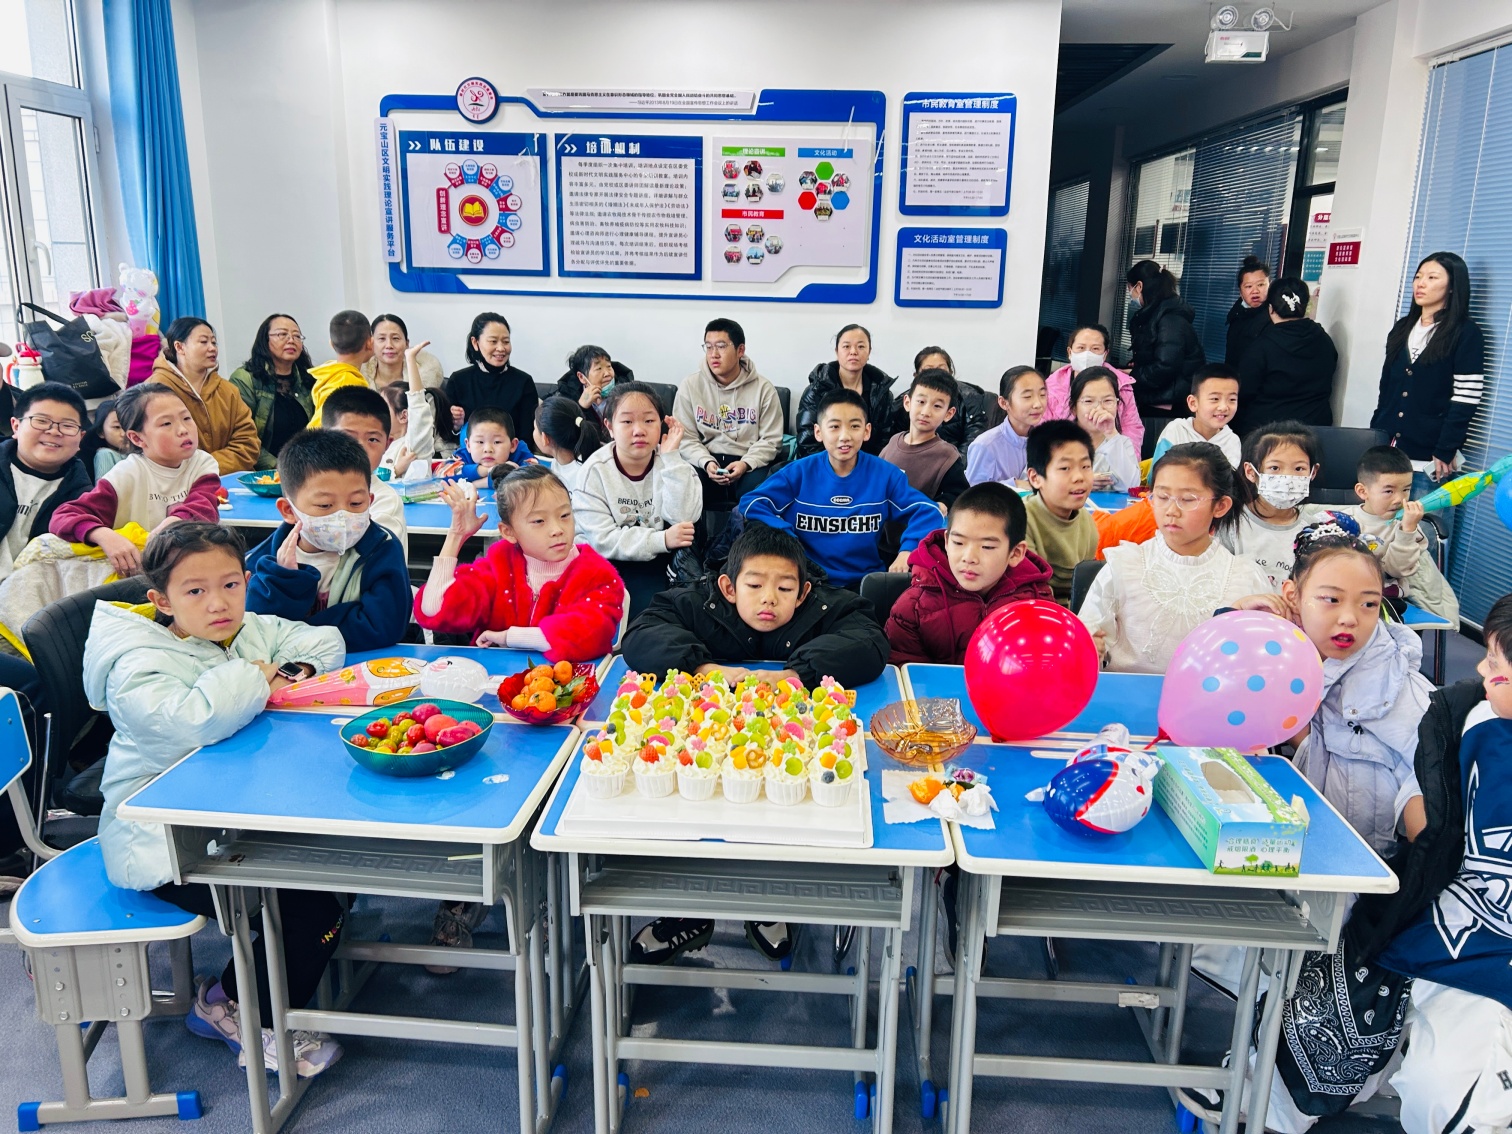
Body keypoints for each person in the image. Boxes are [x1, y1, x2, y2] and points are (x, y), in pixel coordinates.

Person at [83, 522, 346, 1076]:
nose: (218, 603)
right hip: (161, 846)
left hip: (234, 815)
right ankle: (237, 1010)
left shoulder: (243, 630)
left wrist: (288, 671)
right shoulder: (136, 663)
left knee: (337, 868)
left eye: (230, 585)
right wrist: (255, 677)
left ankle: (256, 987)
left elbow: (322, 641)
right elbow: (191, 723)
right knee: (309, 907)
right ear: (161, 601)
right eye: (196, 591)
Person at [619, 522, 888, 966]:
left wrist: (796, 674)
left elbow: (870, 642)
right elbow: (642, 635)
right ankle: (686, 910)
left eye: (784, 588)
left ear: (803, 592)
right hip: (701, 746)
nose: (769, 599)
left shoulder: (825, 605)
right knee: (691, 815)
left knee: (783, 816)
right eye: (755, 585)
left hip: (790, 750)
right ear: (728, 586)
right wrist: (703, 668)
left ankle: (770, 900)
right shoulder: (696, 600)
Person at [1371, 594, 1512, 1134]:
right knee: (1446, 1094)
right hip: (1465, 932)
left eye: (1495, 663)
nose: (1481, 671)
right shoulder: (1470, 717)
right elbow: (1423, 805)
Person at [1236, 514, 1430, 857]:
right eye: (1331, 599)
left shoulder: (1399, 689)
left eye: (1369, 604)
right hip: (1282, 844)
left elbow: (1427, 783)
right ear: (1292, 596)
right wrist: (1234, 615)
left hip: (1362, 861)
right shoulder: (1275, 653)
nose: (1350, 618)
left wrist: (1426, 864)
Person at [1078, 443, 1265, 674]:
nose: (1171, 511)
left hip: (1211, 695)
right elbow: (1087, 643)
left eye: (1187, 499)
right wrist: (1088, 651)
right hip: (1128, 693)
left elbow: (1258, 662)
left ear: (1220, 506)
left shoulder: (1245, 578)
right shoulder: (1124, 565)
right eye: (1162, 496)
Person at [739, 388, 943, 589]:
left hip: (864, 583)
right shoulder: (798, 473)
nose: (844, 436)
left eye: (854, 426)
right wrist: (786, 534)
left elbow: (929, 511)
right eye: (835, 427)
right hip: (809, 580)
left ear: (866, 431)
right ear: (818, 432)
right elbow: (752, 503)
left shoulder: (886, 476)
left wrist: (907, 551)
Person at [415, 465, 624, 656]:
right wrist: (456, 536)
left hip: (568, 681)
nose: (557, 529)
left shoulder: (596, 574)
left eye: (564, 515)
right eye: (539, 521)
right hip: (497, 680)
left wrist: (510, 637)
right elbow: (434, 609)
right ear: (509, 532)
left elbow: (591, 634)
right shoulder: (497, 568)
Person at [244, 430, 410, 652]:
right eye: (325, 505)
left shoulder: (382, 548)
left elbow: (383, 626)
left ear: (370, 501)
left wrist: (295, 630)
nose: (343, 516)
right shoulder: (266, 559)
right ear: (288, 510)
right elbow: (258, 629)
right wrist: (285, 580)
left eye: (356, 503)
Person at [1371, 251, 1484, 544]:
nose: (1420, 284)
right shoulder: (1402, 328)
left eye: (1432, 278)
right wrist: (1375, 434)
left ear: (1452, 286)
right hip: (1389, 451)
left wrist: (1446, 448)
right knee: (1380, 535)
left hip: (1430, 456)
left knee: (1424, 539)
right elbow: (1387, 387)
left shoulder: (1465, 333)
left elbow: (1467, 397)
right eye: (1419, 276)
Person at [50, 383, 222, 577]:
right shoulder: (126, 474)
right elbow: (64, 516)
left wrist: (169, 527)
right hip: (137, 576)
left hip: (188, 568)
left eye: (186, 418)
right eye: (166, 423)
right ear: (137, 438)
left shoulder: (202, 463)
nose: (183, 429)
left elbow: (204, 505)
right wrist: (105, 536)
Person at [885, 482, 1053, 664]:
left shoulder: (1038, 605)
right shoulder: (914, 607)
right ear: (947, 541)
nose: (969, 558)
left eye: (987, 547)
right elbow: (906, 672)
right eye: (958, 543)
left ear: (1015, 553)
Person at [573, 382, 701, 618]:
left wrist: (672, 458)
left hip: (657, 559)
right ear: (609, 426)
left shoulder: (674, 463)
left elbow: (684, 518)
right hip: (606, 561)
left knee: (666, 615)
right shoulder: (594, 472)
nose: (639, 430)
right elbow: (602, 540)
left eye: (649, 421)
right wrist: (662, 539)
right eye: (627, 422)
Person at [673, 317, 784, 509]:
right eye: (708, 347)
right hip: (705, 458)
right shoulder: (690, 386)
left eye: (721, 346)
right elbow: (685, 437)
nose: (713, 354)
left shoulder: (764, 389)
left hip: (748, 462)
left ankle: (746, 531)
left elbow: (771, 440)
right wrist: (706, 462)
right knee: (686, 488)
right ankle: (694, 531)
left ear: (740, 350)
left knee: (757, 495)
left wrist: (746, 464)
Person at [1341, 446, 1458, 624]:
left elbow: (1396, 570)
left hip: (1389, 600)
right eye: (1389, 491)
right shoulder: (1343, 521)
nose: (1400, 499)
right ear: (1363, 491)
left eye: (1406, 490)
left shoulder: (1408, 527)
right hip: (1347, 595)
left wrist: (1407, 531)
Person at [0, 382, 92, 580]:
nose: (54, 431)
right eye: (41, 421)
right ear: (16, 426)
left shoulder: (83, 498)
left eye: (67, 425)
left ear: (81, 438)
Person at [1220, 421, 1325, 591]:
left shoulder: (1314, 531)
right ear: (1251, 472)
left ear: (1313, 472)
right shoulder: (1230, 524)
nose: (1288, 478)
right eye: (1274, 467)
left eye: (1299, 468)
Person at [150, 317, 260, 473]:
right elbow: (156, 447)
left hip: (230, 479)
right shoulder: (155, 390)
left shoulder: (228, 390)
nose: (212, 348)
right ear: (179, 347)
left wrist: (206, 467)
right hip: (178, 482)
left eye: (214, 343)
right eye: (203, 342)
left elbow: (248, 444)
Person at [1234, 276, 1338, 434]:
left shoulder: (1261, 347)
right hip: (1316, 431)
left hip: (1269, 433)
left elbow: (1244, 392)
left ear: (1270, 309)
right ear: (1305, 306)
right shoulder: (1324, 340)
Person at [319, 386, 408, 557]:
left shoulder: (385, 502)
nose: (359, 448)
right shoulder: (310, 489)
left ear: (387, 445)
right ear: (324, 438)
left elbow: (368, 560)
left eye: (372, 439)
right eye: (348, 437)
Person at [1021, 419, 1099, 605]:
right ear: (1035, 478)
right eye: (1065, 468)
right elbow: (1032, 593)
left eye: (1085, 466)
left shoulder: (1088, 523)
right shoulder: (1022, 522)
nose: (1079, 477)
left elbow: (1086, 589)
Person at [228, 313, 316, 470]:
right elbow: (244, 437)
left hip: (306, 469)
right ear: (265, 340)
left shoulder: (308, 379)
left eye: (297, 336)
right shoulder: (245, 379)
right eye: (282, 334)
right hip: (263, 472)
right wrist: (279, 467)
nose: (291, 340)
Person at [795, 324, 896, 458]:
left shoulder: (881, 392)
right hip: (825, 464)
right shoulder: (817, 390)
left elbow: (885, 440)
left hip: (868, 464)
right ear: (837, 351)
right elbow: (808, 442)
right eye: (846, 346)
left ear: (869, 352)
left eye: (861, 346)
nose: (853, 352)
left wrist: (868, 466)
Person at [1045, 324, 1143, 451]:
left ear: (1105, 354)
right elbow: (1043, 430)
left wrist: (1127, 457)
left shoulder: (1122, 386)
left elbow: (1132, 427)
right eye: (1081, 348)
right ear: (1070, 352)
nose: (1087, 354)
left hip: (1110, 456)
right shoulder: (1051, 387)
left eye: (1095, 348)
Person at [877, 368, 968, 504]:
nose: (926, 412)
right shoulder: (894, 442)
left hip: (920, 518)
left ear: (949, 414)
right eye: (921, 402)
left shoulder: (947, 456)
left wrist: (941, 505)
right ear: (907, 403)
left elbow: (959, 495)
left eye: (937, 406)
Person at [443, 312, 538, 442]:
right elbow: (446, 436)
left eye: (506, 341)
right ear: (475, 342)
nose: (501, 348)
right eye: (493, 341)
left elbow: (527, 437)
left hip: (512, 453)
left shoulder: (524, 382)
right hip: (469, 453)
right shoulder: (458, 381)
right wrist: (456, 427)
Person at [1125, 259, 1204, 412]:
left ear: (1139, 286)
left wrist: (1132, 375)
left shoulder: (1170, 320)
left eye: (1130, 288)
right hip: (1159, 396)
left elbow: (1165, 366)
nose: (1130, 294)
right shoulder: (1156, 314)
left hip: (1169, 401)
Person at [377, 338, 450, 477]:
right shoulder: (382, 444)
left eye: (383, 408)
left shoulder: (414, 443)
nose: (377, 413)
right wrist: (396, 470)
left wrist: (410, 359)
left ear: (404, 416)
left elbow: (418, 409)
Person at [965, 366, 1047, 486]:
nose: (1038, 404)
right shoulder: (985, 446)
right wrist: (1015, 484)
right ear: (1004, 403)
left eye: (1042, 395)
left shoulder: (1046, 442)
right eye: (1027, 397)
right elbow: (973, 492)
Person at [1151, 365, 1242, 469]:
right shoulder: (1176, 430)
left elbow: (1229, 478)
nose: (1223, 407)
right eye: (1215, 399)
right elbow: (1158, 472)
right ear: (1193, 403)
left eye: (1232, 399)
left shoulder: (1232, 441)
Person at [1070, 366, 1139, 492]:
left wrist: (1111, 434)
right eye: (1088, 401)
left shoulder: (1122, 443)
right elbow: (1037, 483)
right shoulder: (1057, 443)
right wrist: (1079, 482)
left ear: (1117, 405)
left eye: (1107, 401)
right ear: (1074, 408)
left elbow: (1131, 486)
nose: (1099, 409)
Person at [553, 343, 631, 442]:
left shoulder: (628, 391)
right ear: (582, 377)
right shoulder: (567, 397)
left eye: (609, 366)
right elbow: (564, 435)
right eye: (599, 369)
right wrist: (580, 408)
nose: (607, 373)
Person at [308, 310, 374, 421]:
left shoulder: (329, 373)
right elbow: (322, 427)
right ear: (369, 343)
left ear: (331, 344)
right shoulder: (346, 385)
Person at [533, 396, 601, 494]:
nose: (533, 432)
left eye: (535, 428)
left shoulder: (584, 476)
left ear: (545, 439)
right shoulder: (558, 463)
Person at [361, 313, 445, 390]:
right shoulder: (359, 380)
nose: (389, 345)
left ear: (407, 344)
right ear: (371, 343)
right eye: (382, 338)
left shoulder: (426, 379)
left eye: (395, 338)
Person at [453, 406, 534, 486]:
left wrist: (479, 483)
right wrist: (486, 471)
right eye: (480, 442)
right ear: (468, 445)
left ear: (512, 445)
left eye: (497, 442)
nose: (488, 449)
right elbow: (446, 472)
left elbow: (534, 475)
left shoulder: (520, 452)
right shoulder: (463, 455)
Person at [1224, 255, 1272, 369]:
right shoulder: (1235, 314)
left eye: (1260, 285)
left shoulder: (1275, 316)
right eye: (1248, 286)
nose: (1255, 291)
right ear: (1240, 292)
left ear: (1270, 285)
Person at [83, 397, 130, 481]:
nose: (124, 433)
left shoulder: (140, 453)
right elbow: (103, 488)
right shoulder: (105, 454)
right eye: (117, 427)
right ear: (101, 432)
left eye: (128, 425)